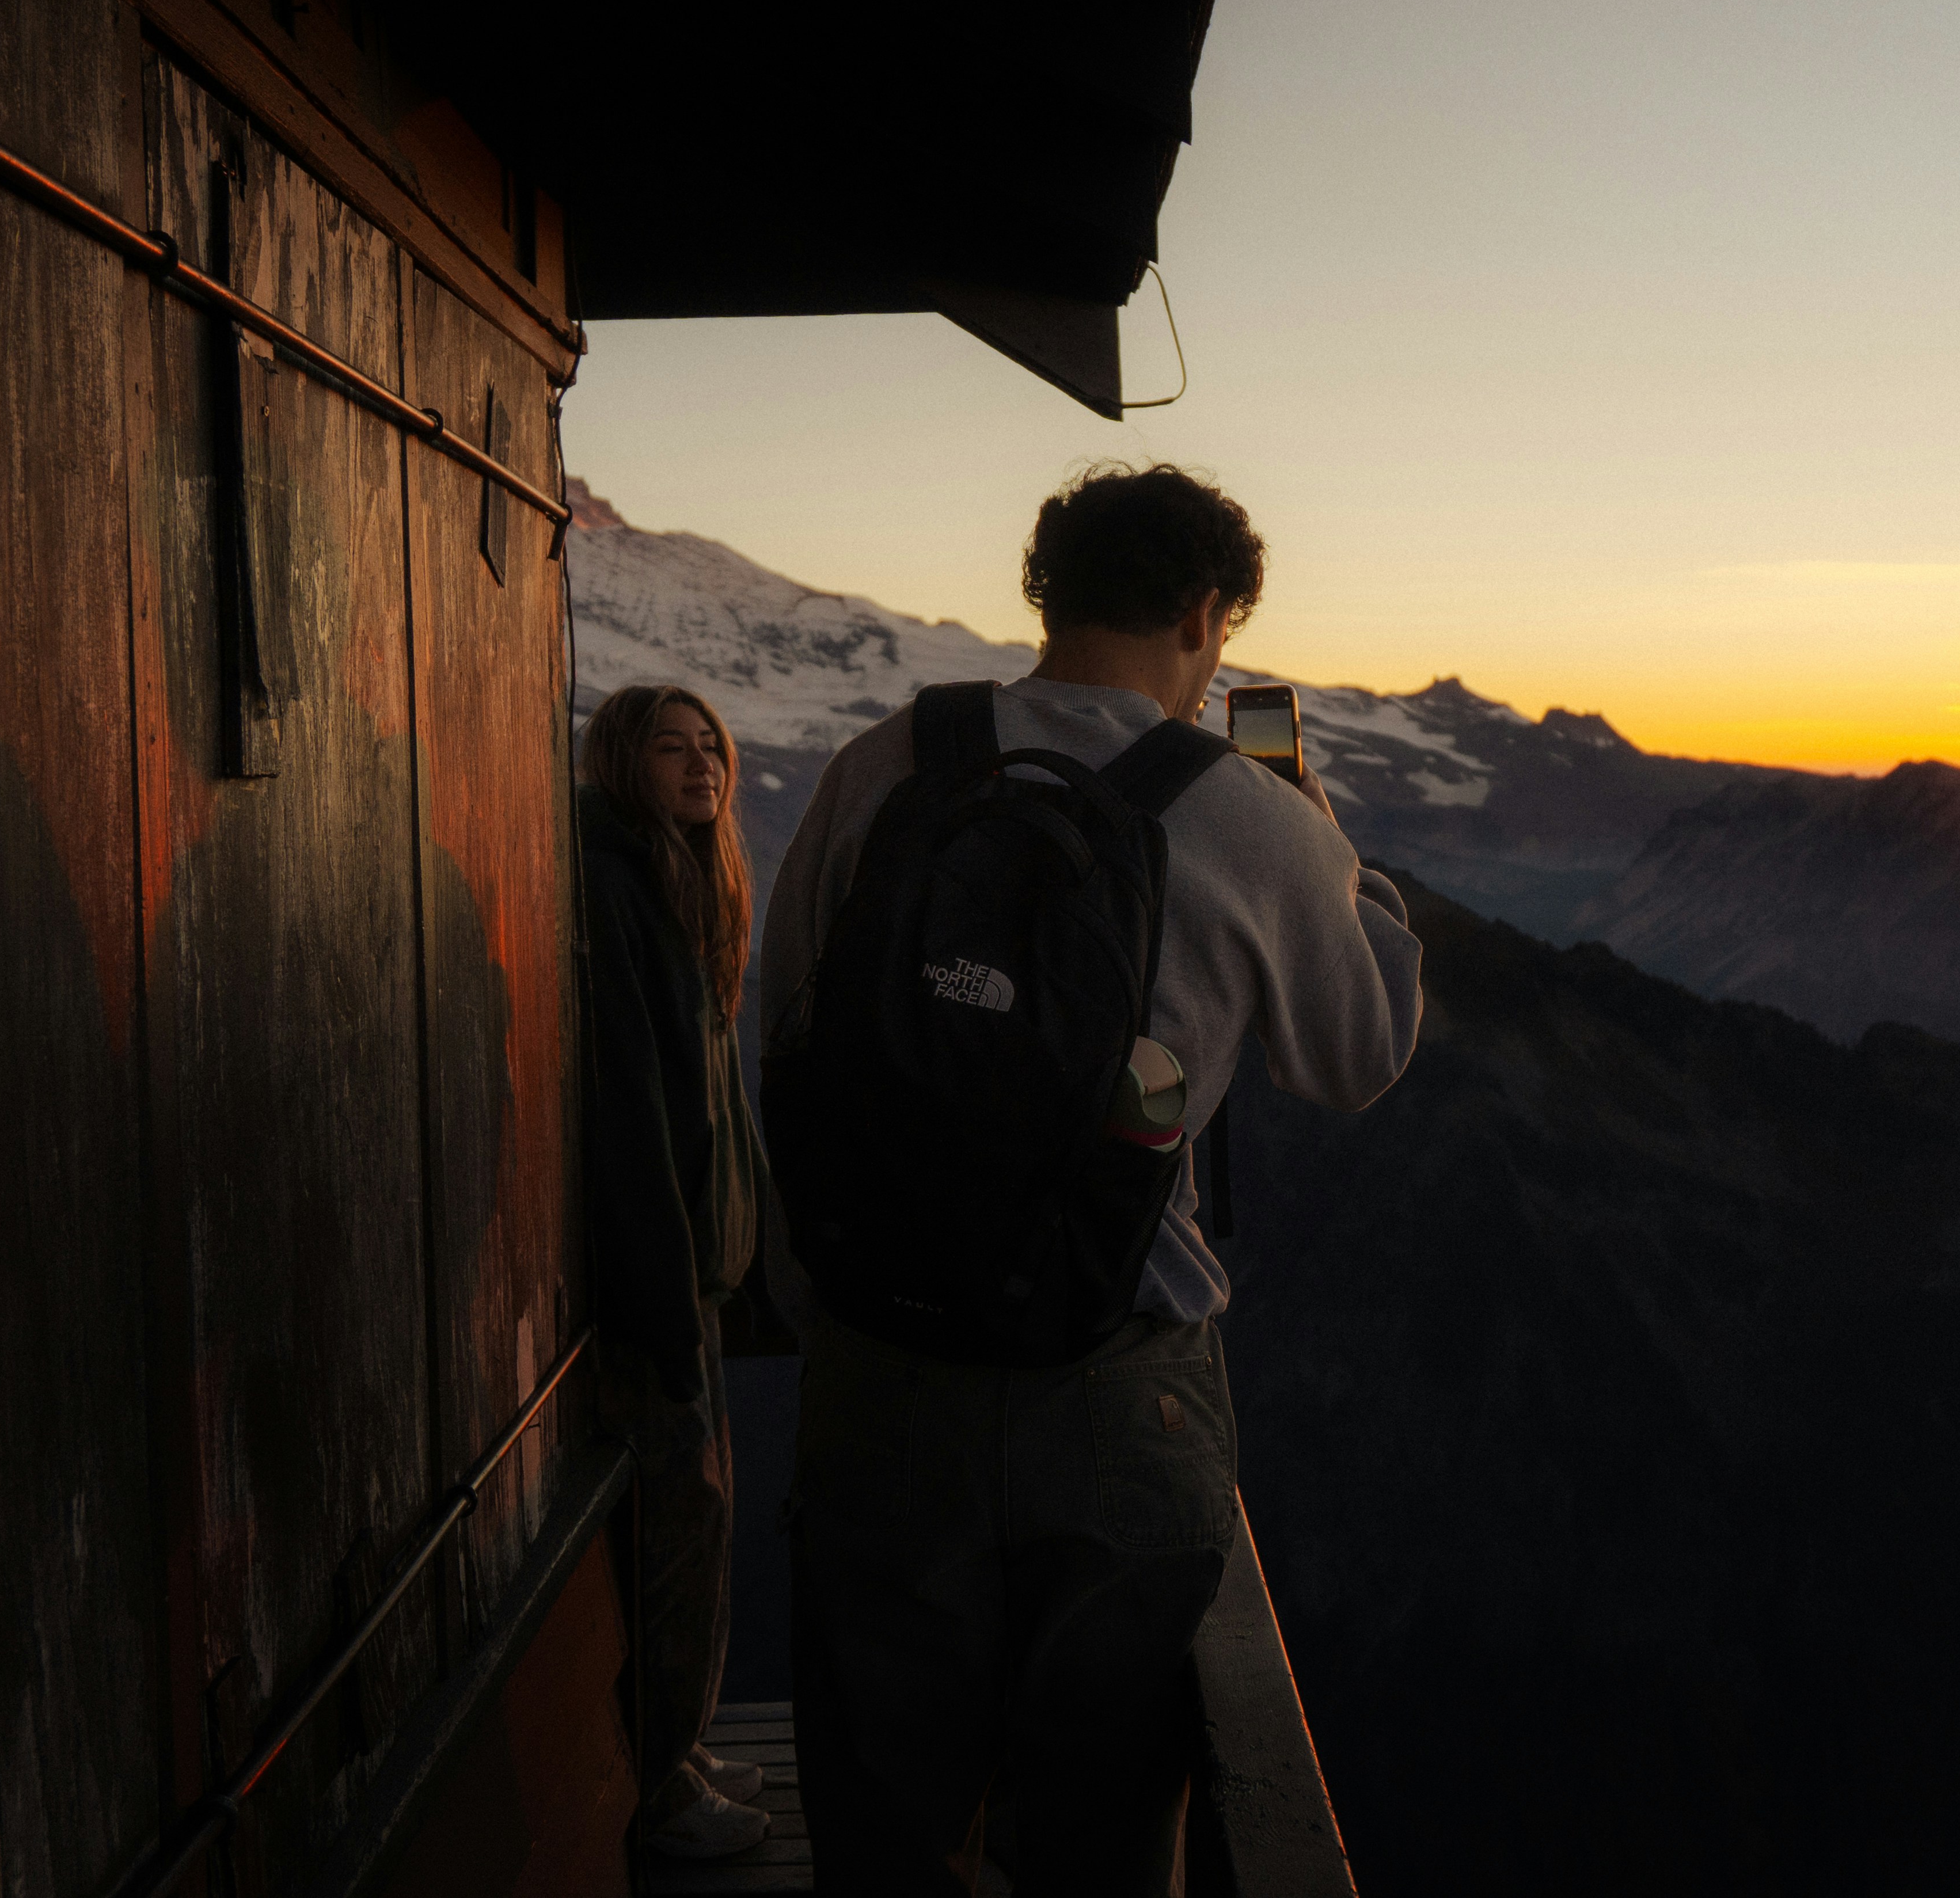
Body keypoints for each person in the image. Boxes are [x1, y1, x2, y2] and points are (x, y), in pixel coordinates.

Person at [761, 463, 1426, 1893]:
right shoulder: (1247, 816)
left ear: (1043, 595)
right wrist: (1338, 854)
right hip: (1123, 1378)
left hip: (882, 1370)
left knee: (880, 1831)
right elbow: (1358, 1048)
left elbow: (787, 1039)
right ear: (1204, 614)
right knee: (1107, 1836)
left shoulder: (884, 765)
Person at [577, 683, 777, 1863]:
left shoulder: (678, 889)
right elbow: (633, 1121)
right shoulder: (618, 891)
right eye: (672, 746)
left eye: (713, 746)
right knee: (673, 1532)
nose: (703, 764)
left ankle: (681, 1747)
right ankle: (658, 1788)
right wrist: (665, 1305)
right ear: (623, 759)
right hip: (665, 1292)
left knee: (700, 1525)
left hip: (703, 1278)